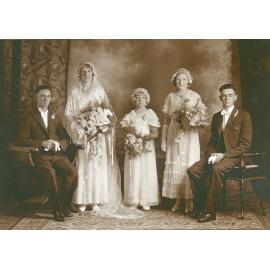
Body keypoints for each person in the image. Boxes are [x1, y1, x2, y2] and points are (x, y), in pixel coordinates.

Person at [187, 84, 252, 222]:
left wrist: (223, 156)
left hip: (234, 156)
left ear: (235, 97)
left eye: (229, 95)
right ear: (220, 98)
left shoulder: (244, 116)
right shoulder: (217, 117)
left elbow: (245, 145)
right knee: (193, 170)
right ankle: (200, 206)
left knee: (216, 170)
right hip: (216, 155)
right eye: (224, 95)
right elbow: (212, 141)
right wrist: (212, 154)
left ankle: (210, 212)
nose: (226, 98)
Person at [64, 61, 122, 213]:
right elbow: (68, 114)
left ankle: (96, 200)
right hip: (82, 135)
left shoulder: (99, 90)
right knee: (83, 165)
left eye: (88, 72)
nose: (85, 75)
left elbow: (107, 112)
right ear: (79, 74)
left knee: (96, 165)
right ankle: (82, 200)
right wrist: (78, 126)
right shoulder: (74, 91)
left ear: (93, 74)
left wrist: (98, 125)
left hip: (97, 135)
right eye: (82, 72)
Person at [17, 85, 78, 222]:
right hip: (39, 155)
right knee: (50, 174)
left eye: (48, 96)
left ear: (51, 99)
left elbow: (64, 136)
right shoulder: (28, 116)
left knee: (72, 173)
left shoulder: (54, 115)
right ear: (36, 97)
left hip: (56, 155)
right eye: (42, 96)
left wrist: (58, 143)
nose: (45, 99)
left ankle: (65, 206)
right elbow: (22, 140)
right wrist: (41, 143)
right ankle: (57, 209)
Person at [161, 68, 206, 213]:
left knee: (189, 164)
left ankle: (189, 200)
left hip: (189, 135)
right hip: (174, 135)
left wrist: (192, 120)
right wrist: (163, 140)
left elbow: (202, 117)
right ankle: (179, 199)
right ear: (175, 81)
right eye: (178, 79)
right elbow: (166, 120)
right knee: (177, 165)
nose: (181, 82)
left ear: (189, 81)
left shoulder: (195, 96)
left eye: (184, 79)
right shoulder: (170, 97)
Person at [121, 88, 160, 211]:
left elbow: (155, 133)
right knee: (134, 171)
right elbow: (123, 127)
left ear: (146, 100)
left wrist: (143, 140)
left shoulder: (150, 113)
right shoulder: (130, 115)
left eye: (142, 97)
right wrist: (132, 138)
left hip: (146, 147)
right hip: (133, 147)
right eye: (137, 97)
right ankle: (133, 200)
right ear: (134, 100)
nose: (140, 99)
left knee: (145, 171)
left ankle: (145, 200)